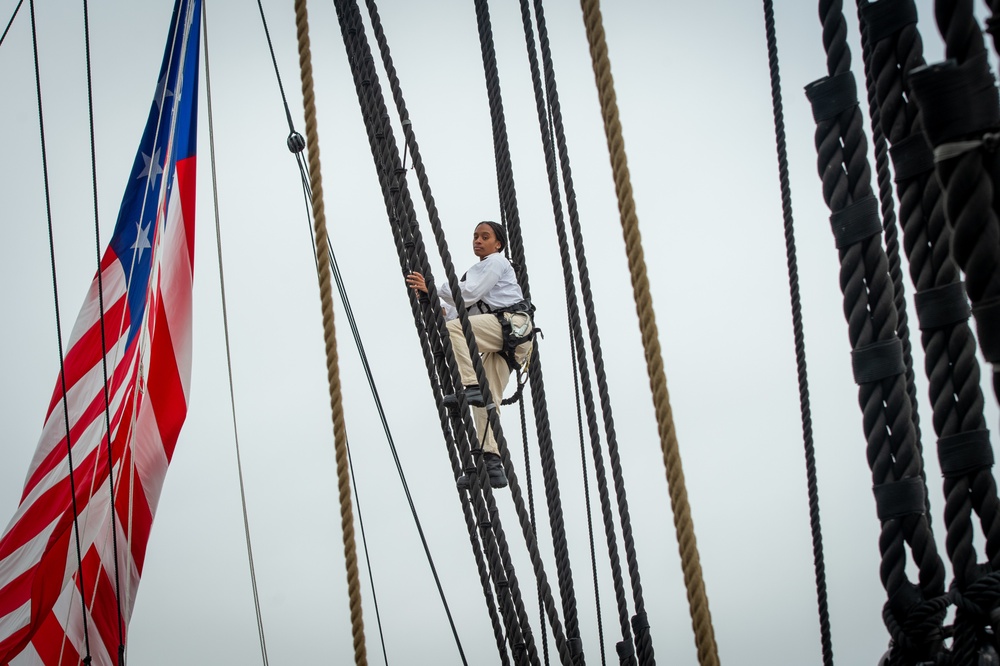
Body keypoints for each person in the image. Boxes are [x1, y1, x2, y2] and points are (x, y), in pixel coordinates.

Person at [405, 221, 534, 489]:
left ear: (498, 244)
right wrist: (433, 305)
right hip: (512, 340)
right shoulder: (477, 272)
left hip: (510, 326)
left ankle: (471, 384)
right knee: (489, 402)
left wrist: (433, 286)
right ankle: (492, 462)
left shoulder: (495, 263)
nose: (478, 241)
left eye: (485, 237)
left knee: (455, 332)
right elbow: (458, 312)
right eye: (475, 236)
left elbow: (469, 294)